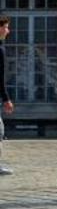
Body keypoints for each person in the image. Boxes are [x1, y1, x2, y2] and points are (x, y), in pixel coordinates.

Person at [0, 14, 14, 177]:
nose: (8, 31)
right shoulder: (0, 49)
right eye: (5, 27)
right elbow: (0, 78)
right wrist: (6, 99)